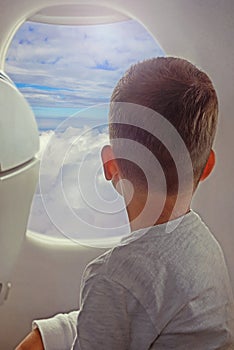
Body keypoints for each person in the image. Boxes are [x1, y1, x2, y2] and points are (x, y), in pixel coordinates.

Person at [16, 57, 234, 350]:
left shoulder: (114, 278)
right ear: (207, 167)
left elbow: (124, 307)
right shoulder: (204, 245)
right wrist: (49, 334)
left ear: (110, 166)